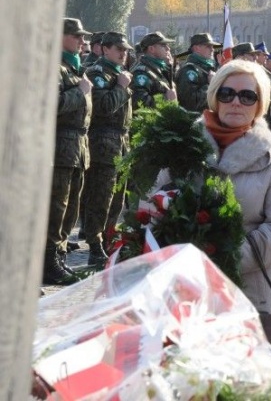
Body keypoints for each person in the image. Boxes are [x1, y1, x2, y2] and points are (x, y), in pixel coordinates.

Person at [201, 60, 271, 312]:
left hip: (247, 294)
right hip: (185, 293)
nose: (236, 102)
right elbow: (152, 206)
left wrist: (224, 255)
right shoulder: (181, 147)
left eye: (247, 96)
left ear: (260, 104)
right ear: (215, 97)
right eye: (227, 94)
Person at [45, 18, 93, 285]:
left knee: (70, 207)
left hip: (77, 148)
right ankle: (49, 261)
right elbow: (54, 104)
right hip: (60, 149)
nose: (83, 42)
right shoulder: (56, 68)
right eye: (77, 37)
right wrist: (81, 92)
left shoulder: (74, 71)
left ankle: (58, 258)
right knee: (57, 207)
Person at [82, 32, 133, 267]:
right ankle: (94, 244)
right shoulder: (97, 73)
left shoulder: (119, 74)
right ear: (104, 50)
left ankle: (108, 241)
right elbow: (103, 107)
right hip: (103, 142)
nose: (124, 54)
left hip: (120, 142)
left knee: (117, 199)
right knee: (101, 196)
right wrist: (122, 88)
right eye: (119, 49)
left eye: (125, 50)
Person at [175, 33, 221, 112]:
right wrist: (210, 85)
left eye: (212, 46)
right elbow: (190, 104)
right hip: (195, 121)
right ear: (196, 48)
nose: (212, 49)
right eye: (208, 46)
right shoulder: (189, 71)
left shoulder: (209, 68)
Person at [131, 31, 177, 109]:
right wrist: (165, 98)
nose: (168, 48)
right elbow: (139, 103)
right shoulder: (141, 73)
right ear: (151, 49)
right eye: (163, 45)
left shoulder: (160, 69)